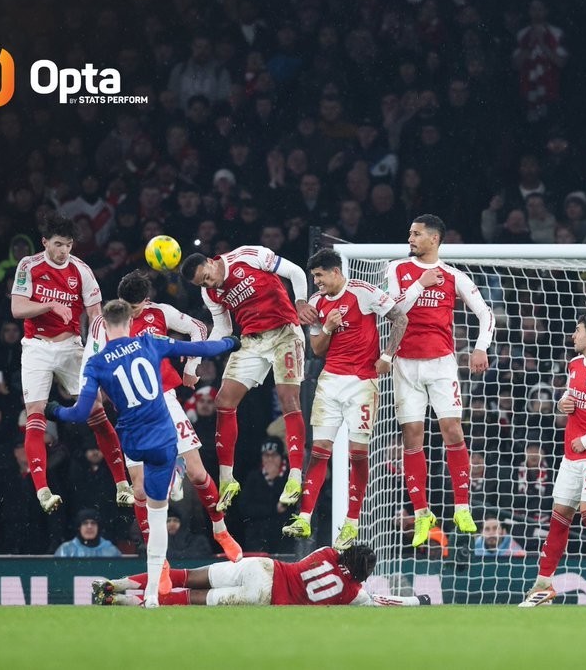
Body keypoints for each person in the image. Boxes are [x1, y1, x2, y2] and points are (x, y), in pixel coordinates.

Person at [47, 299, 239, 608]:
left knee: (161, 490)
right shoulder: (149, 342)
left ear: (106, 325)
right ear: (129, 321)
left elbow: (82, 411)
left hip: (133, 436)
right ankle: (153, 586)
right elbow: (201, 348)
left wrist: (55, 410)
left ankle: (198, 546)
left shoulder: (97, 362)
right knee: (156, 503)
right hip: (161, 433)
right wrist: (230, 343)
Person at [86, 270, 242, 561]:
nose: (132, 313)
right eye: (128, 308)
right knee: (140, 489)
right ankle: (156, 559)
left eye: (137, 308)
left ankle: (221, 531)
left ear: (146, 300)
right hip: (131, 410)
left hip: (165, 399)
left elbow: (197, 328)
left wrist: (191, 367)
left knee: (198, 472)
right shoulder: (105, 322)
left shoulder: (160, 312)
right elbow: (90, 359)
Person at [283, 249, 408, 547]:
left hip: (362, 383)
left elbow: (400, 318)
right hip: (330, 382)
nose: (316, 282)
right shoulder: (316, 303)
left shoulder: (363, 292)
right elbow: (317, 350)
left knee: (357, 453)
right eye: (314, 277)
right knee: (319, 451)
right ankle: (304, 518)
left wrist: (387, 356)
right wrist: (327, 327)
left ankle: (352, 523)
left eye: (319, 275)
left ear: (336, 272)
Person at [180, 244, 317, 511]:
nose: (209, 284)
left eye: (207, 277)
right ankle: (227, 479)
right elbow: (223, 328)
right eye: (202, 283)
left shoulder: (248, 256)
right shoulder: (210, 292)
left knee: (289, 400)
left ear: (211, 261)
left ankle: (294, 476)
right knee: (223, 401)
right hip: (252, 341)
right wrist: (196, 358)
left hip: (285, 333)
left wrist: (301, 301)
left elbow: (296, 272)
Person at [386, 215, 495, 545]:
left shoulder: (453, 275)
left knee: (453, 430)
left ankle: (462, 507)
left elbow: (485, 313)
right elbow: (394, 311)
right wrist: (420, 284)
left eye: (416, 234)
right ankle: (422, 514)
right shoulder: (396, 269)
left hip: (441, 364)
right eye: (410, 233)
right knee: (412, 437)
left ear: (434, 239)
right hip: (405, 363)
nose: (410, 239)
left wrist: (480, 347)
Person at [10, 214, 129, 513]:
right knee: (35, 414)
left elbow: (96, 315)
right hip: (36, 347)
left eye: (68, 245)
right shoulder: (28, 265)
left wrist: (96, 350)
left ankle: (122, 485)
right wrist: (51, 304)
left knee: (96, 410)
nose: (64, 251)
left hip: (72, 347)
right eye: (58, 244)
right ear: (45, 242)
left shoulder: (82, 270)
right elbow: (17, 308)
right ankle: (43, 490)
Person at [520, 313, 586, 607]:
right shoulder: (574, 364)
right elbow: (570, 398)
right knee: (559, 517)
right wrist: (562, 403)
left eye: (578, 330)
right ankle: (543, 585)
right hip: (572, 455)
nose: (573, 335)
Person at [92, 543, 429, 607]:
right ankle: (118, 602)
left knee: (185, 575)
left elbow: (307, 563)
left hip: (263, 568)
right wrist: (419, 601)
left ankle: (113, 585)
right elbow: (385, 601)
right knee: (194, 599)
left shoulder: (327, 552)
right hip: (265, 597)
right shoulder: (354, 594)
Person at [54, 508, 121, 557]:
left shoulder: (111, 551)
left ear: (98, 527)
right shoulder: (66, 550)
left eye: (93, 523)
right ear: (79, 527)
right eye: (85, 523)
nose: (89, 527)